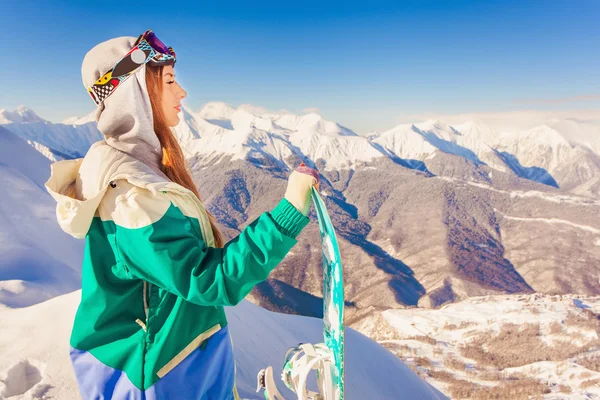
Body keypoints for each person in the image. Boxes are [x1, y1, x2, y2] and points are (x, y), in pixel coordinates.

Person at [44, 29, 320, 399]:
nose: (182, 92)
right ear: (136, 94)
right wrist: (288, 212)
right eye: (170, 80)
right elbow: (207, 280)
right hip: (159, 373)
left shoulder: (145, 171)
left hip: (183, 360)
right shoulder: (130, 195)